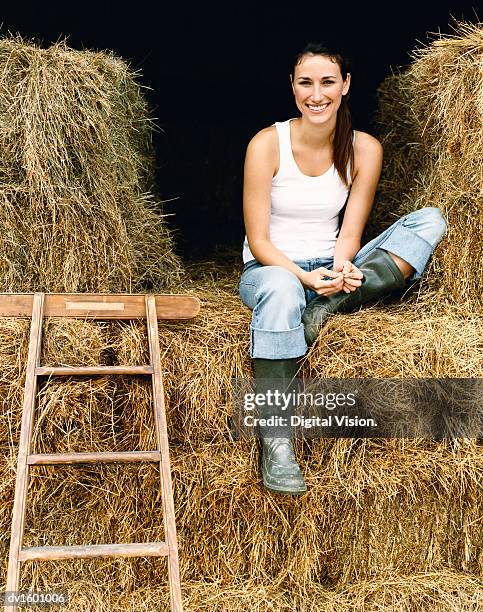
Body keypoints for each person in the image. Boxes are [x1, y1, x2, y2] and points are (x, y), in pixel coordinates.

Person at [238, 42, 447, 496]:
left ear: (345, 85)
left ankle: (338, 300)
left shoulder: (364, 148)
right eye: (306, 83)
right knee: (280, 291)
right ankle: (276, 443)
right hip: (273, 266)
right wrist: (305, 277)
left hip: (328, 265)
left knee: (431, 220)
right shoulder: (266, 144)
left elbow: (350, 232)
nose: (317, 94)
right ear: (293, 88)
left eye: (328, 82)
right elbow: (259, 241)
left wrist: (343, 268)